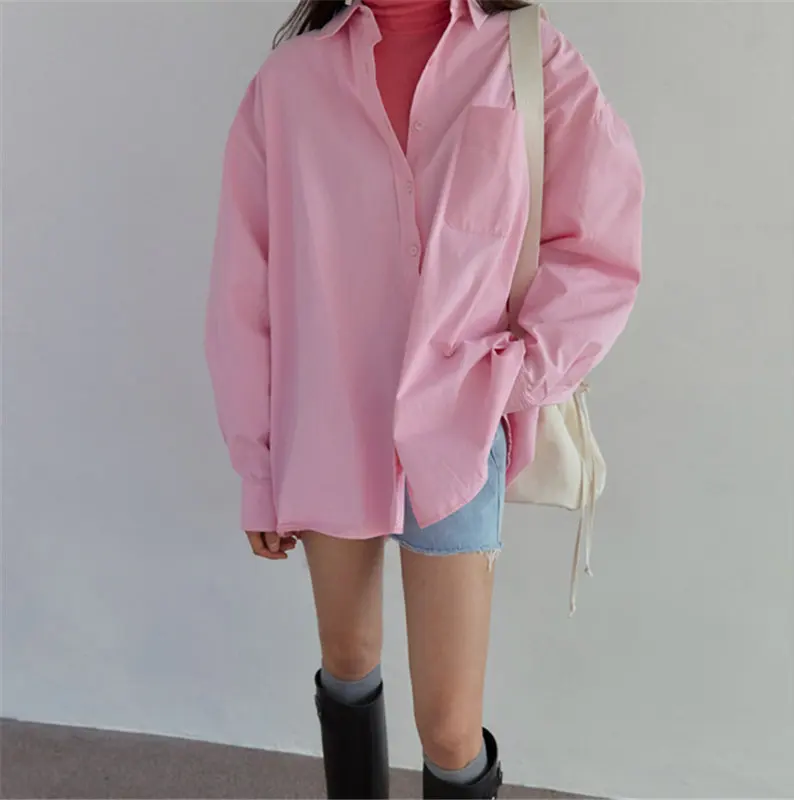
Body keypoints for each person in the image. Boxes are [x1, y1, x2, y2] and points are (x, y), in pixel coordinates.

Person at [204, 0, 643, 797]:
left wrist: (512, 375)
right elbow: (245, 290)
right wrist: (258, 470)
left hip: (461, 429)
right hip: (326, 421)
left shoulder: (529, 60)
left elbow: (599, 246)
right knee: (347, 661)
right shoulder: (289, 84)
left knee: (448, 727)